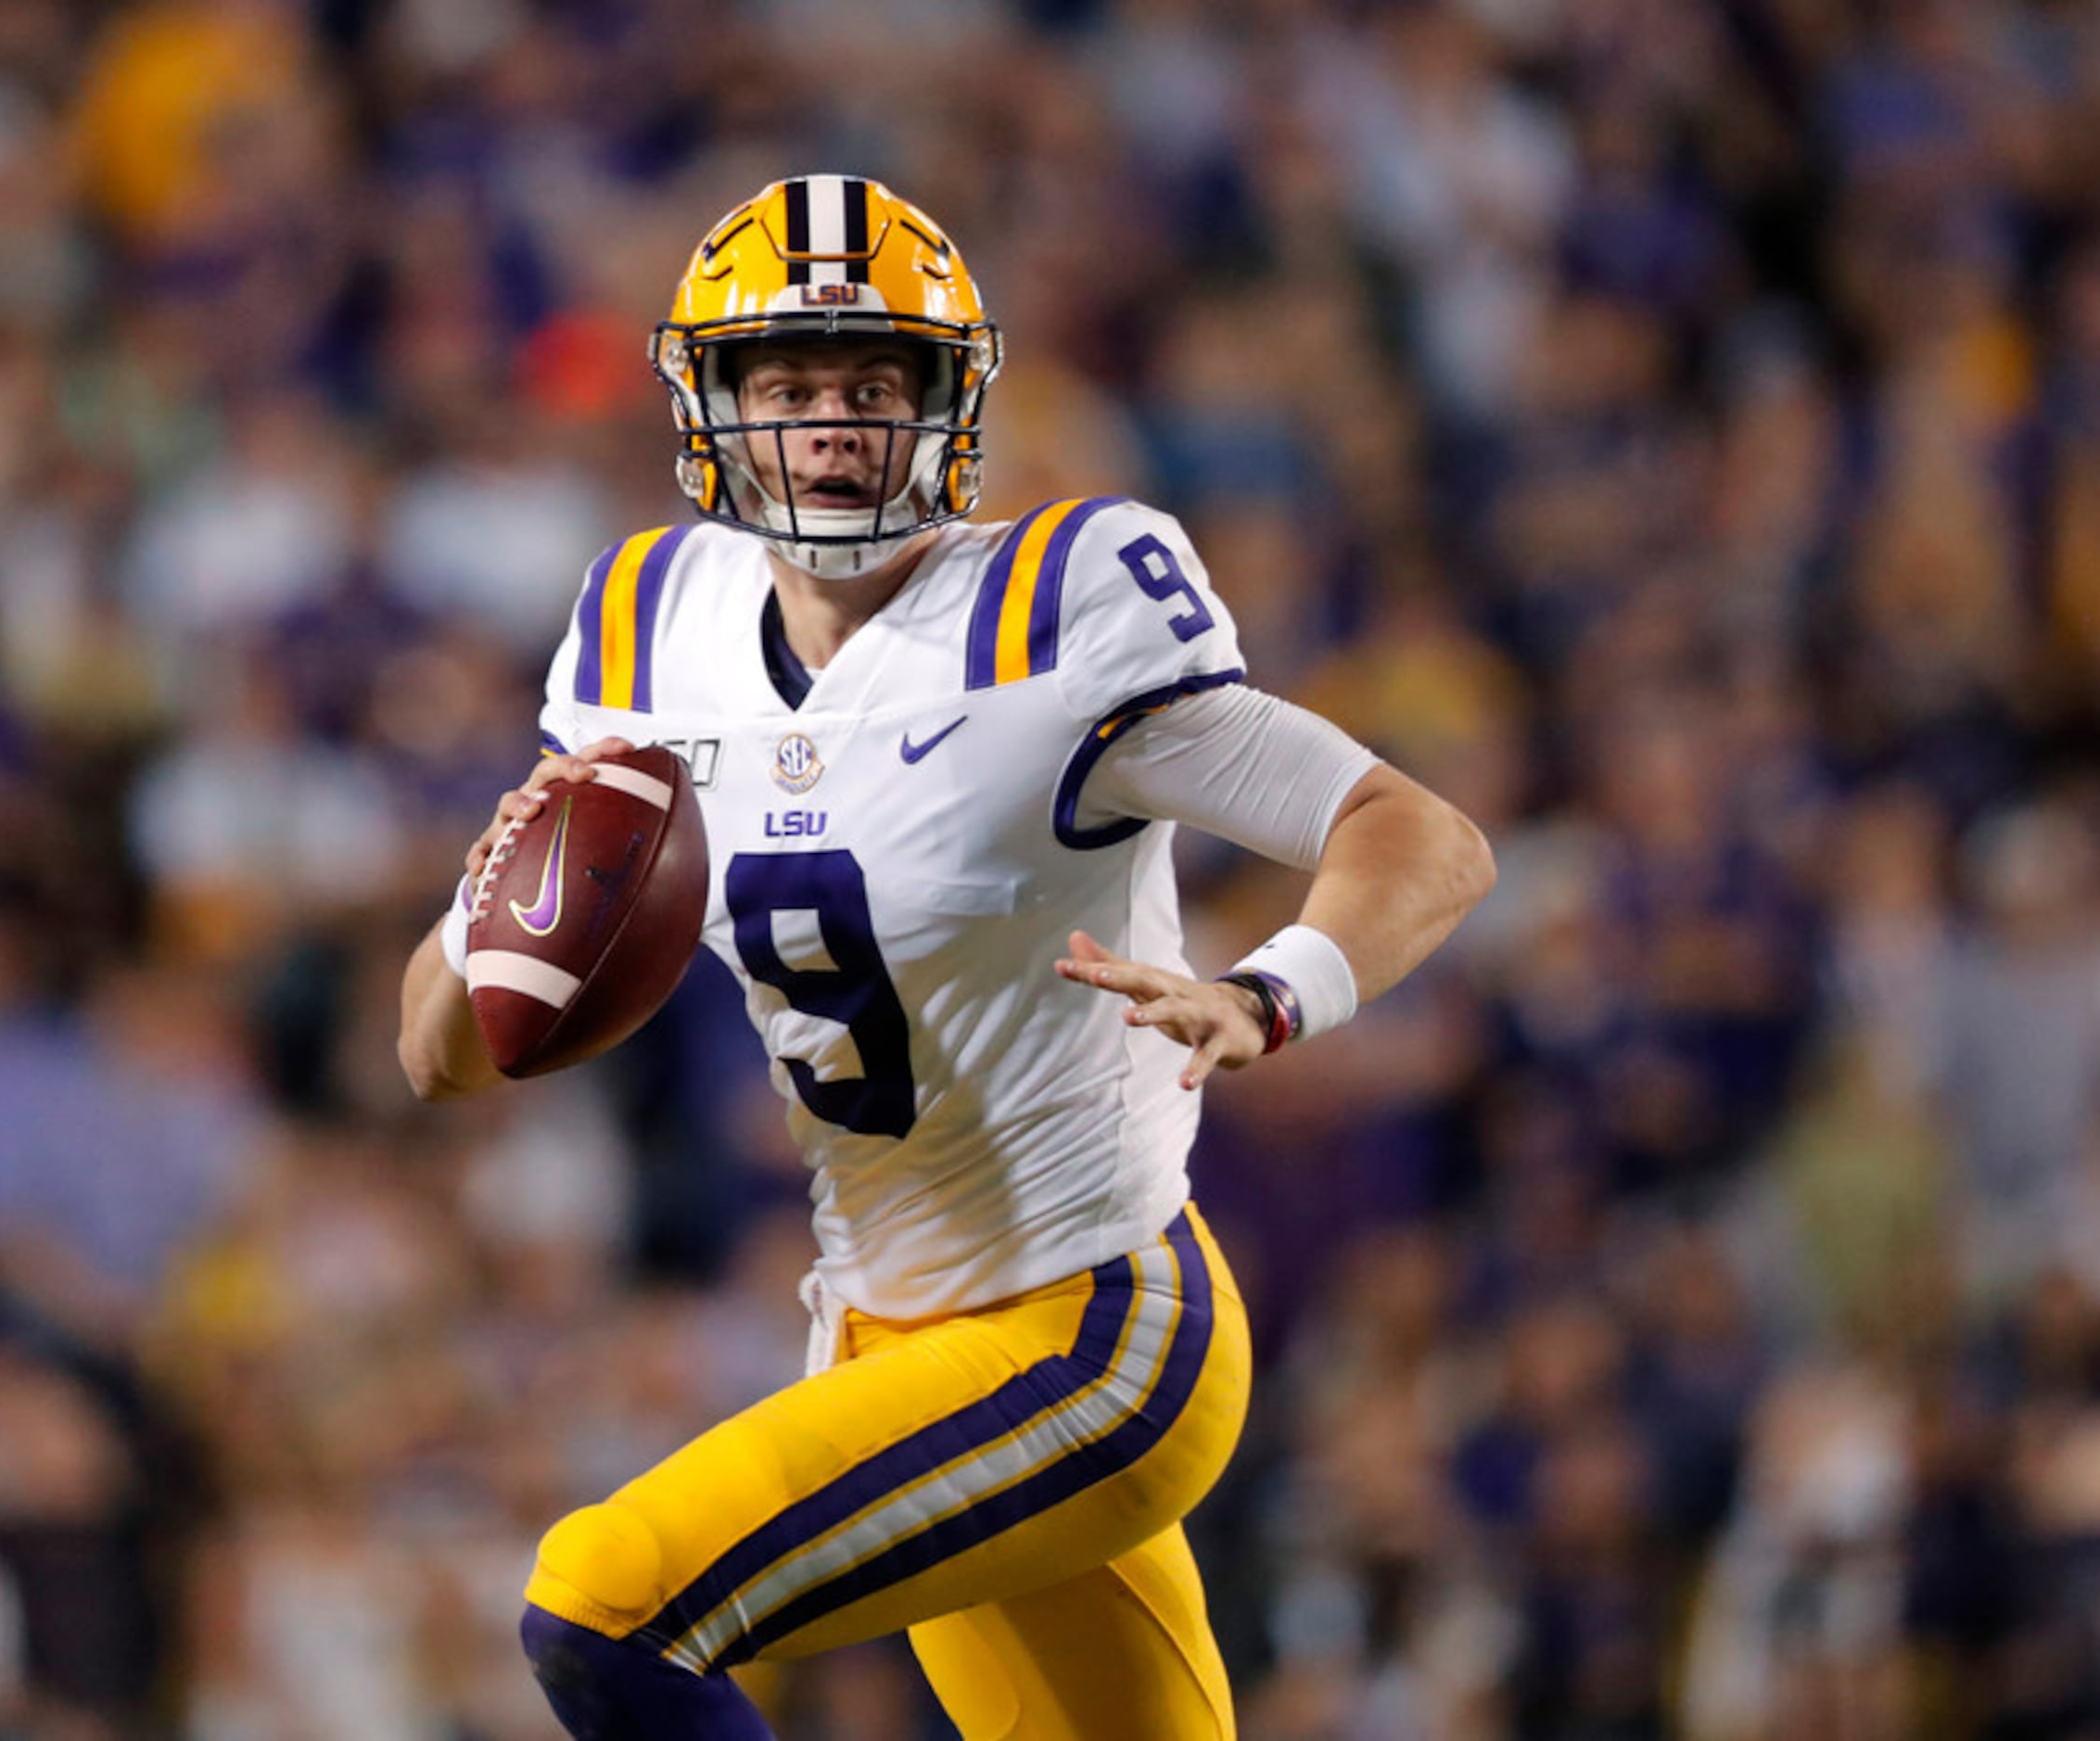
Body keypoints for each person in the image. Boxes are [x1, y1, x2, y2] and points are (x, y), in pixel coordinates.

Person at [398, 175, 1495, 1739]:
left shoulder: (1058, 610)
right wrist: (503, 891)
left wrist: (1273, 989)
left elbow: (1417, 832)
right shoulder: (652, 627)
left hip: (1097, 1329)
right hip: (880, 1333)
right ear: (711, 409)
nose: (833, 424)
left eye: (872, 382)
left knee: (604, 1602)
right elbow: (433, 1055)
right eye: (788, 386)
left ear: (948, 405)